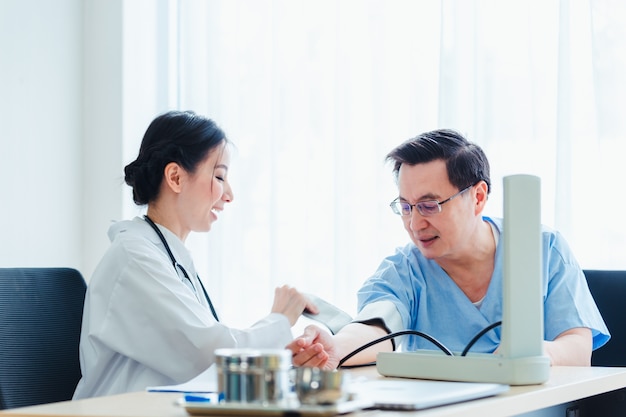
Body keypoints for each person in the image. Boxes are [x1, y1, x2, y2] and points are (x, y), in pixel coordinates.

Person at [288, 129, 609, 369]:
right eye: (405, 207)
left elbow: (579, 350)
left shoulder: (544, 250)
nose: (415, 224)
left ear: (478, 197)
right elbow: (378, 325)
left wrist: (539, 353)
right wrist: (335, 348)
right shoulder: (403, 270)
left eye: (429, 205)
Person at [73, 110, 317, 399]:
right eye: (219, 176)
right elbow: (206, 356)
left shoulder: (166, 255)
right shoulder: (135, 258)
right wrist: (279, 319)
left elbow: (204, 358)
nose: (229, 194)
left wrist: (280, 358)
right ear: (175, 177)